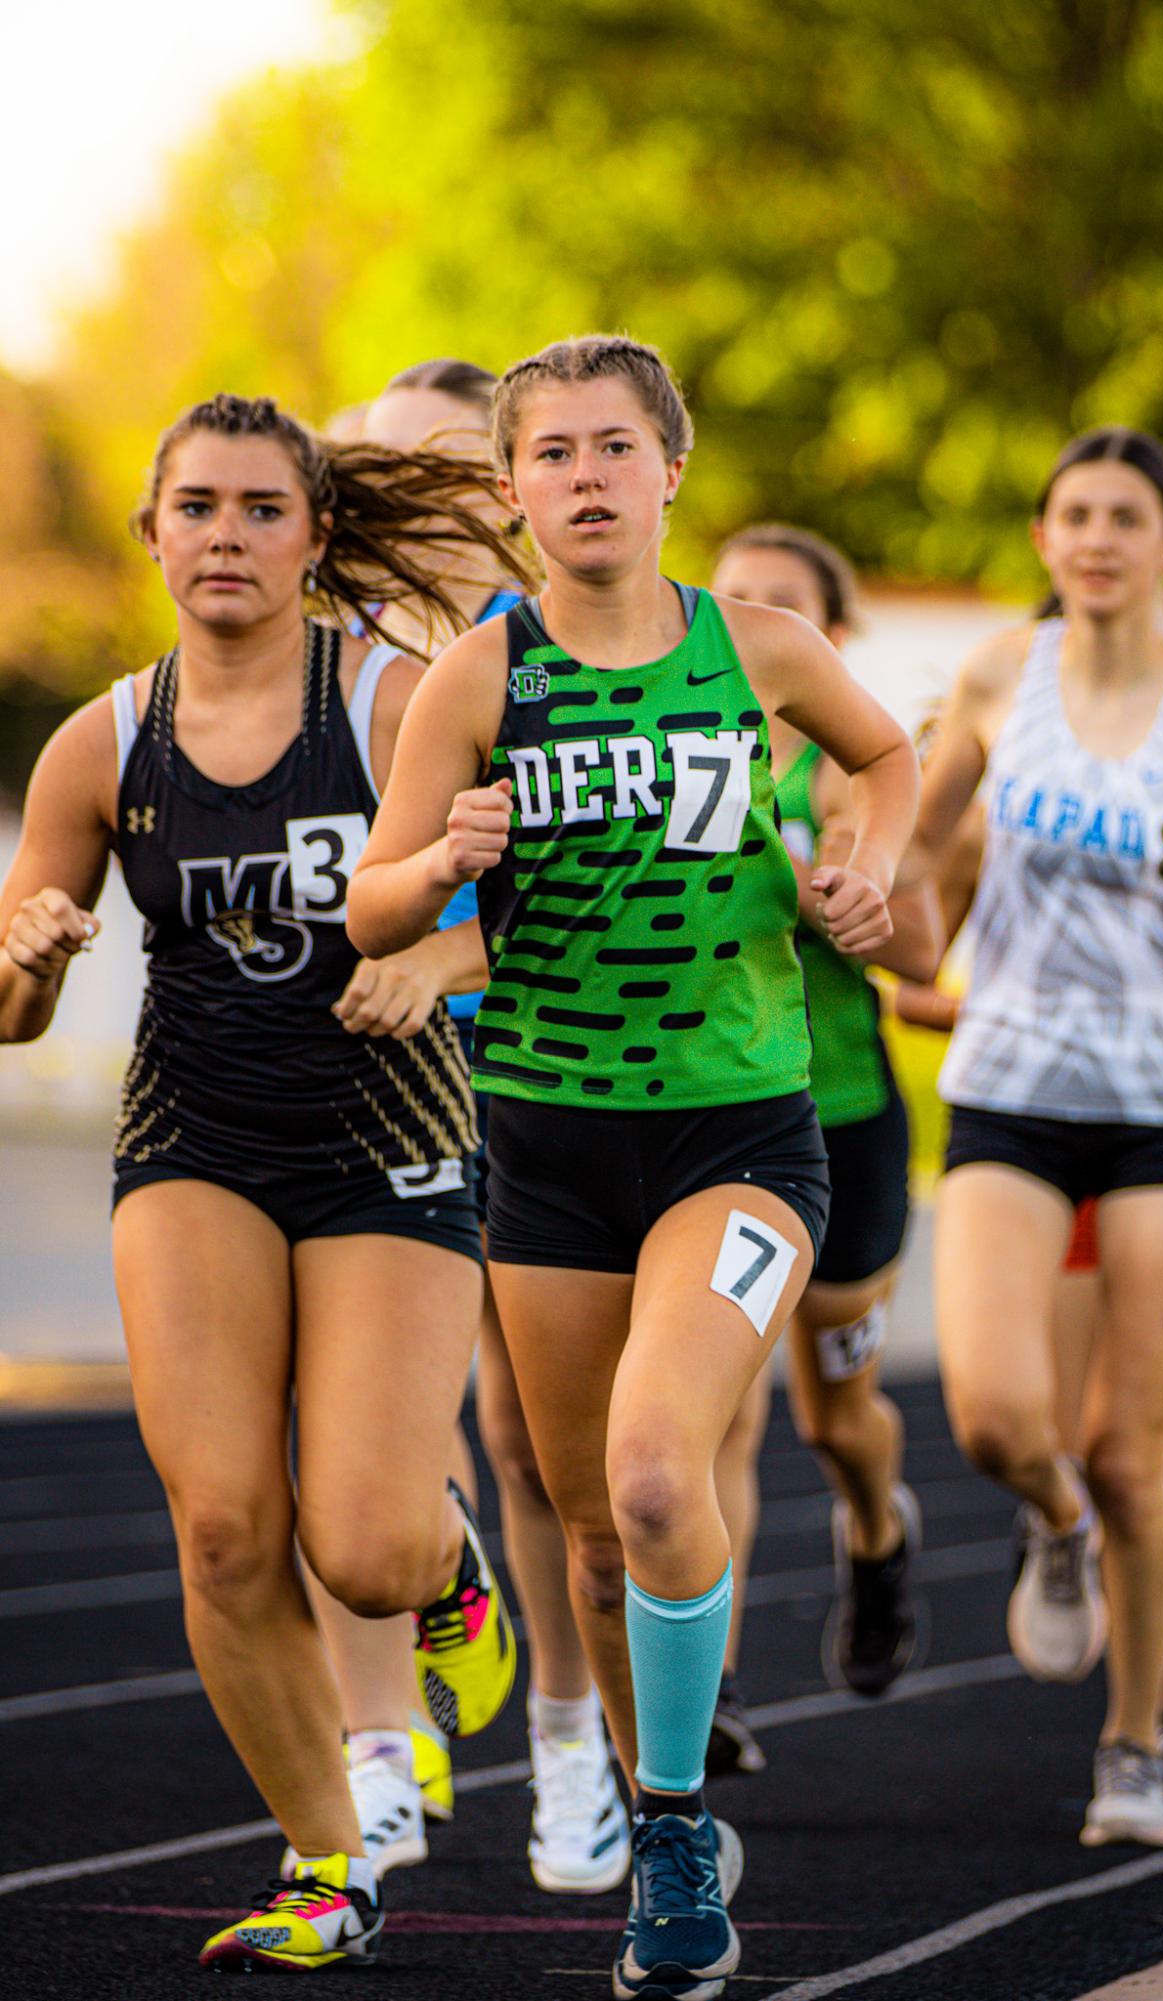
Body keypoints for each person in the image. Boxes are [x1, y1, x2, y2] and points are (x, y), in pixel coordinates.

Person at [348, 334, 919, 2001]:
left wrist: (856, 873)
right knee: (593, 1533)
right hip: (543, 1151)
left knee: (664, 1475)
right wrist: (439, 862)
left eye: (614, 447)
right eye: (551, 453)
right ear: (512, 488)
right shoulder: (477, 676)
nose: (584, 476)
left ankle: (669, 1827)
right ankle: (625, 1768)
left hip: (737, 1134)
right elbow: (373, 910)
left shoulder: (755, 647)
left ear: (669, 470)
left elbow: (884, 759)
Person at [0, 392, 528, 1972]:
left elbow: (548, 911)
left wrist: (432, 957)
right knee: (226, 1529)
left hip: (390, 1135)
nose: (224, 534)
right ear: (153, 532)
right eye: (196, 507)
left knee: (360, 1541)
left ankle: (449, 1574)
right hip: (195, 1141)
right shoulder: (102, 740)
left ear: (313, 538)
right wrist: (25, 956)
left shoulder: (388, 704)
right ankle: (327, 1860)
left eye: (259, 508)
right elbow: (15, 1008)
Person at [898, 425, 1163, 1849]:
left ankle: (1131, 1748)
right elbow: (915, 839)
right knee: (998, 1418)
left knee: (1137, 1449)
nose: (1096, 538)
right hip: (1007, 1088)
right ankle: (1054, 1528)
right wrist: (859, 895)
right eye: (1073, 513)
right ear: (1041, 535)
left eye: (1125, 516)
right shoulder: (998, 678)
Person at [307, 356, 629, 1894]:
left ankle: (568, 1741)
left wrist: (448, 950)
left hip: (534, 1079)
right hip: (352, 1087)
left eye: (429, 475)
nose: (397, 509)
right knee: (350, 1436)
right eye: (372, 477)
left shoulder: (546, 662)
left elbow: (609, 900)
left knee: (523, 1434)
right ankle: (378, 1756)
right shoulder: (318, 663)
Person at [704, 524, 941, 1776]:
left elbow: (919, 953)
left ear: (826, 636)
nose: (746, 620)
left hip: (841, 1124)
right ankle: (719, 1684)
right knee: (721, 1415)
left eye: (777, 604)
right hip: (719, 1124)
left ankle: (873, 1531)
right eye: (728, 596)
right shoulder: (671, 741)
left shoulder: (852, 772)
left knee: (832, 1414)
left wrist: (839, 888)